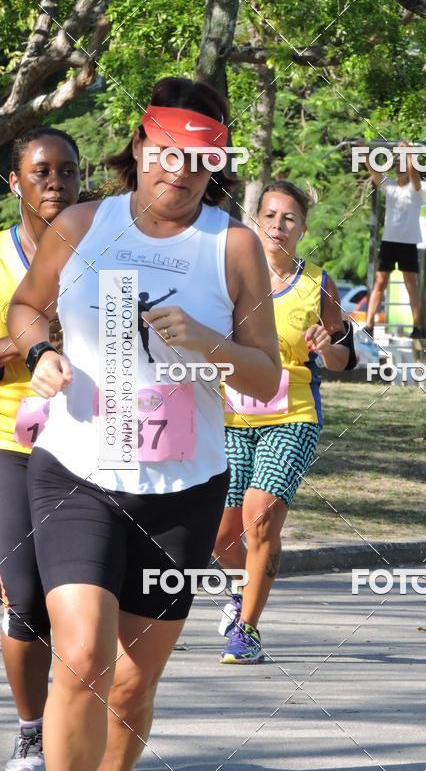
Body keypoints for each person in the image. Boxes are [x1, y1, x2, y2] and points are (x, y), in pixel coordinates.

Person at [8, 76, 280, 771]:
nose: (180, 172)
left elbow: (263, 377)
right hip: (78, 475)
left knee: (131, 685)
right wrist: (40, 352)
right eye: (165, 152)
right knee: (85, 658)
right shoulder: (82, 226)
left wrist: (207, 342)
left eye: (198, 159)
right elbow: (28, 307)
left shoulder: (235, 247)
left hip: (182, 491)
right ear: (139, 146)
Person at [214, 180, 357, 664]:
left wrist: (326, 345)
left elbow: (345, 359)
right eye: (270, 216)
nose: (278, 226)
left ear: (303, 228)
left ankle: (247, 630)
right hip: (231, 417)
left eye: (289, 218)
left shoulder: (319, 284)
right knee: (220, 537)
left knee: (260, 519)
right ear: (255, 221)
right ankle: (243, 588)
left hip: (291, 416)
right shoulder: (230, 276)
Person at [0, 126, 81, 770]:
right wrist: (20, 350)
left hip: (85, 444)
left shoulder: (97, 254)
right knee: (25, 599)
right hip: (10, 444)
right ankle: (31, 728)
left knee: (81, 600)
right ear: (16, 183)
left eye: (67, 172)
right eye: (42, 171)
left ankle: (73, 724)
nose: (56, 182)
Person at [362, 140, 424, 338]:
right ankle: (369, 324)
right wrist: (364, 151)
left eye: (402, 164)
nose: (400, 167)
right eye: (397, 164)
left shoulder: (415, 189)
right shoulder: (389, 186)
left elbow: (414, 171)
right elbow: (374, 172)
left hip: (408, 243)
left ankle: (418, 326)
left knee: (411, 284)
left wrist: (409, 152)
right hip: (389, 242)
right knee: (380, 282)